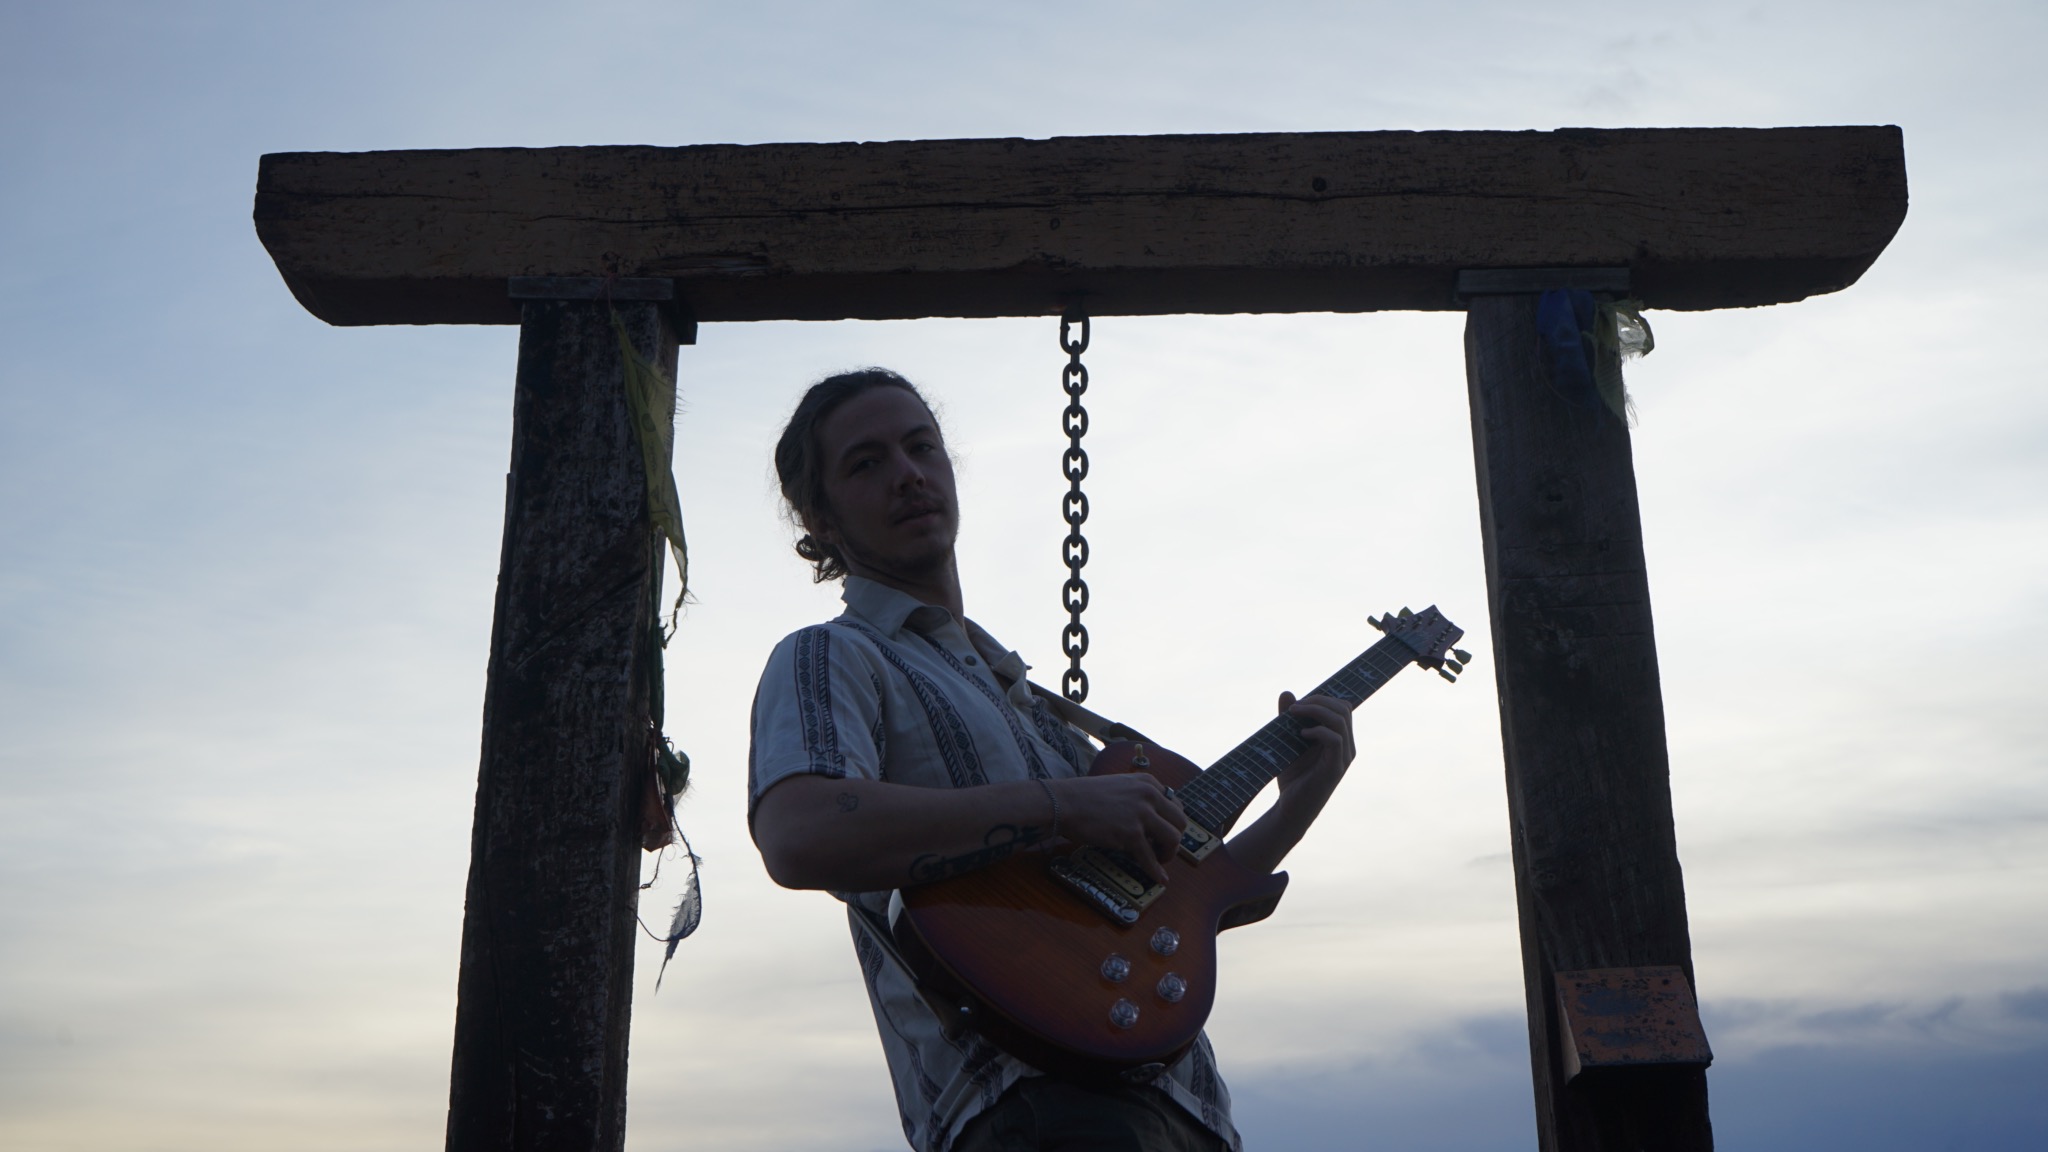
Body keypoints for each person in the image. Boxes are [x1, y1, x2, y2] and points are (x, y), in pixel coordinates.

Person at [748, 369, 1358, 1152]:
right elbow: (799, 832)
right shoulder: (835, 654)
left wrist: (1296, 803)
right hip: (1026, 1104)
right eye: (866, 463)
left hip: (1189, 1110)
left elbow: (1161, 902)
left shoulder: (1035, 707)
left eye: (921, 447)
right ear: (820, 519)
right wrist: (1064, 806)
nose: (907, 474)